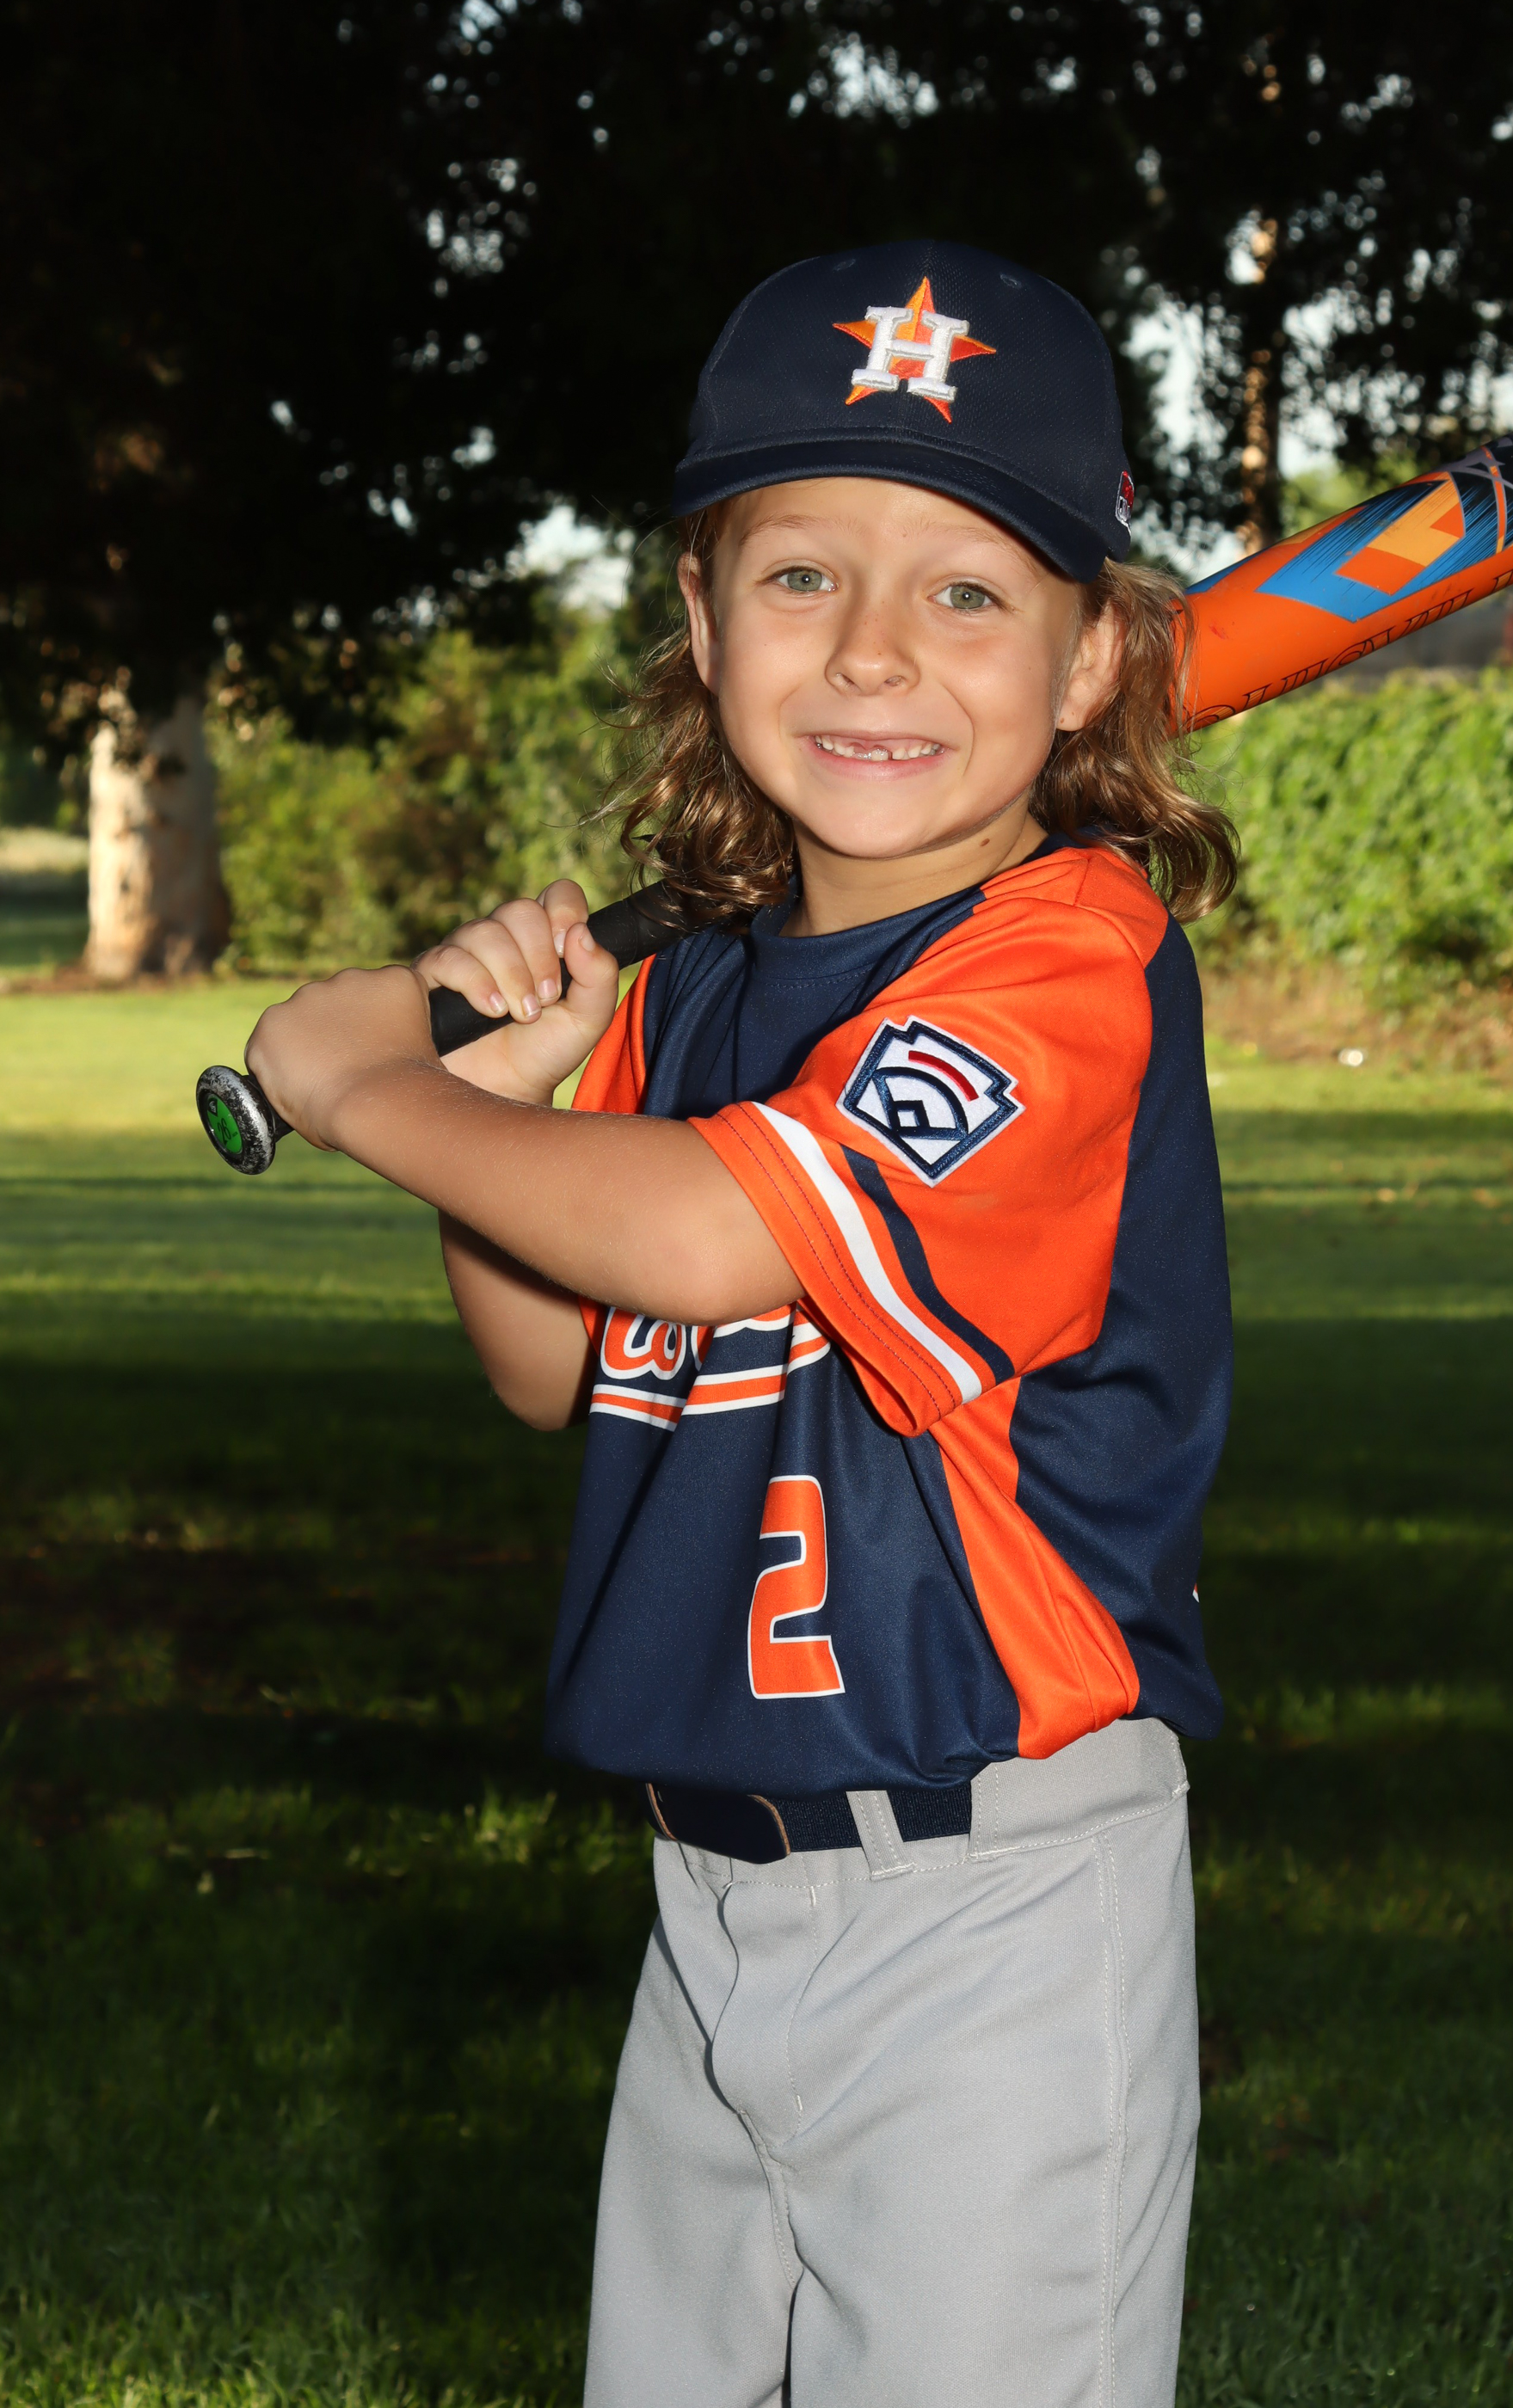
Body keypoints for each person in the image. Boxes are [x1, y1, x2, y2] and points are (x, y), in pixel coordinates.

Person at [245, 238, 1239, 2408]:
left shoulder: (1061, 963)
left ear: (1090, 660)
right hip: (710, 1900)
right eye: (800, 576)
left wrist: (370, 1091)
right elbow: (550, 1359)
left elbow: (708, 1239)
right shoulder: (690, 988)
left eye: (967, 591)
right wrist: (509, 1110)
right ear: (701, 627)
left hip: (991, 1904)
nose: (875, 648)